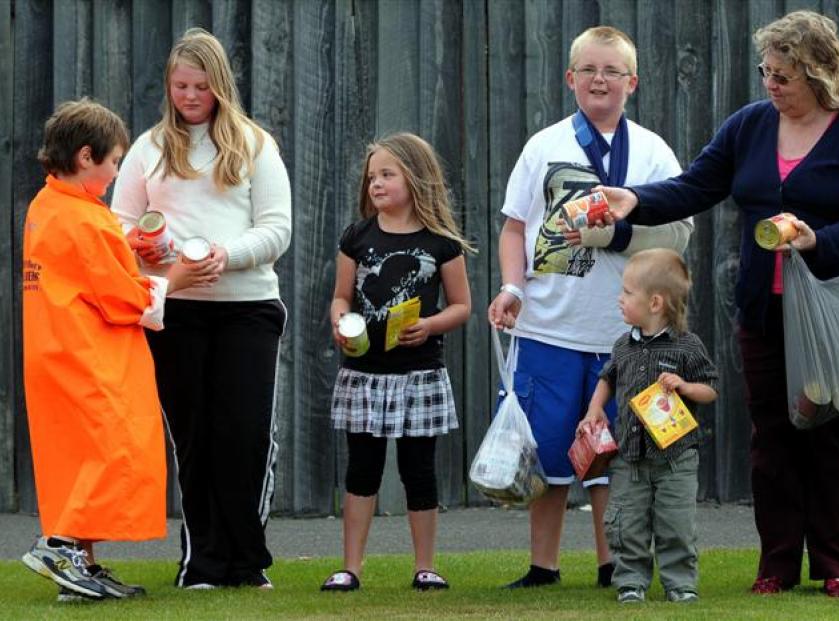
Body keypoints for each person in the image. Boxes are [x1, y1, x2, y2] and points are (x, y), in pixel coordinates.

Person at [597, 10, 839, 598]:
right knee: (773, 441)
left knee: (835, 440)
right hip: (764, 315)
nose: (771, 85)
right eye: (767, 72)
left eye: (783, 75)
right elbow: (696, 186)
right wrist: (633, 199)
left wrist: (818, 238)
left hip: (836, 319)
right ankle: (778, 564)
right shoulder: (751, 126)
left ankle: (838, 564)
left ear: (817, 73)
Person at [486, 25, 693, 589]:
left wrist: (617, 238)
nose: (600, 80)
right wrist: (512, 289)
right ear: (570, 78)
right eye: (589, 70)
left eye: (612, 71)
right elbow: (514, 228)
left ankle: (615, 566)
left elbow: (678, 235)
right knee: (548, 453)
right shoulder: (544, 146)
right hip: (548, 328)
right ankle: (542, 568)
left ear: (633, 82)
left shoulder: (652, 152)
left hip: (626, 335)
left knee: (619, 457)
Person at [111, 28, 292, 589]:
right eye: (180, 85)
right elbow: (118, 226)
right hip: (176, 312)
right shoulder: (148, 148)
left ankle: (247, 562)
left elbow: (277, 229)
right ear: (168, 85)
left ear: (220, 85)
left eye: (200, 86)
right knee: (193, 437)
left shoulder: (255, 145)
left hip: (248, 309)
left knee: (244, 435)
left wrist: (226, 255)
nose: (189, 96)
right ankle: (201, 564)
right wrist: (146, 252)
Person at [21, 99, 217, 602]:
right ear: (86, 156)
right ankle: (60, 545)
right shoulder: (85, 220)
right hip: (90, 356)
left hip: (56, 351)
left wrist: (126, 242)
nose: (114, 174)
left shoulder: (50, 206)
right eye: (112, 162)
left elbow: (87, 263)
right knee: (114, 449)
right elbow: (124, 299)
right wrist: (175, 277)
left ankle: (79, 567)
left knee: (77, 455)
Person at [320, 133, 472, 593]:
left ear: (416, 177)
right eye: (372, 178)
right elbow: (342, 296)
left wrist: (429, 326)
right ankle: (351, 567)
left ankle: (425, 566)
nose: (376, 185)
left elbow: (461, 305)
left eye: (387, 175)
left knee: (418, 470)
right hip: (365, 374)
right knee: (361, 469)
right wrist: (339, 321)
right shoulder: (357, 236)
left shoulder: (441, 243)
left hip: (418, 374)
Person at [577, 249, 718, 604]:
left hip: (676, 459)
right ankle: (630, 582)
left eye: (627, 292)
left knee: (676, 524)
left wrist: (685, 387)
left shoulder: (687, 346)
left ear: (655, 302)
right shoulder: (623, 346)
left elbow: (710, 389)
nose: (620, 299)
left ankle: (680, 583)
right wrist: (595, 410)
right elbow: (607, 378)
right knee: (627, 524)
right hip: (629, 458)